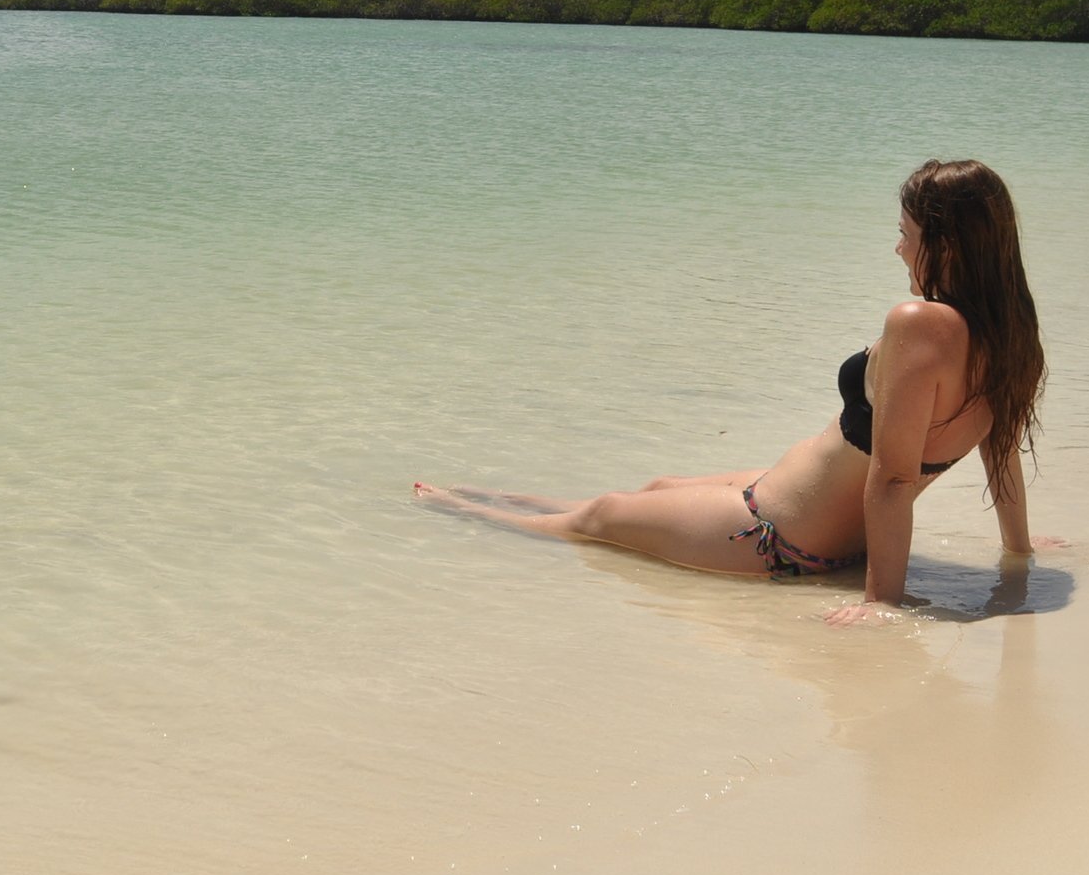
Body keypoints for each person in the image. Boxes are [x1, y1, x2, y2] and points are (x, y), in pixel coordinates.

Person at [415, 159, 1048, 625]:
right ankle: (502, 495)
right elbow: (1003, 448)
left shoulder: (923, 325)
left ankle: (468, 510)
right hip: (801, 508)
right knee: (660, 489)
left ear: (945, 243)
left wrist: (879, 603)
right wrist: (1017, 551)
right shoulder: (1012, 337)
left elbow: (892, 479)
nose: (898, 246)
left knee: (601, 515)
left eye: (906, 232)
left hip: (775, 532)